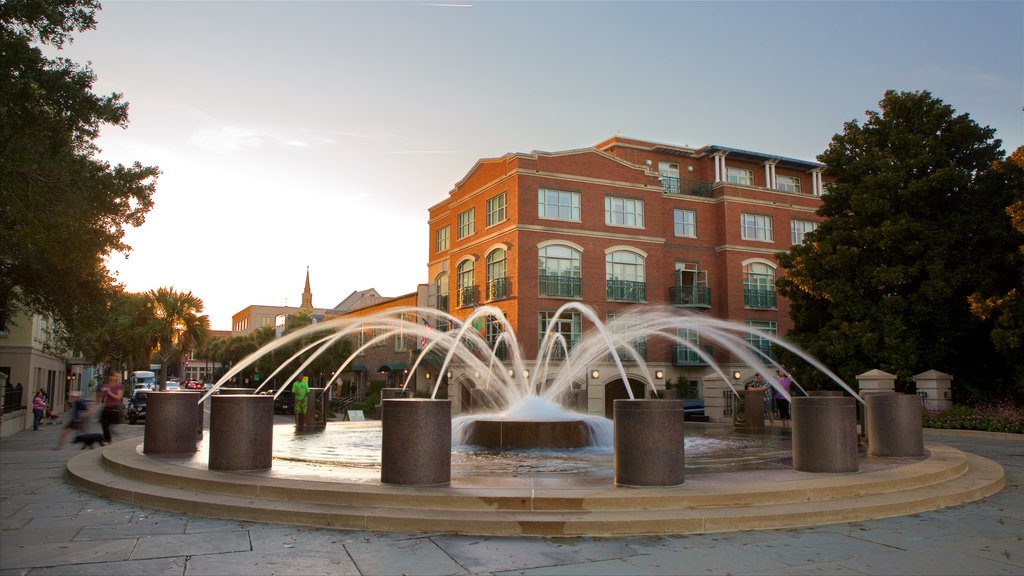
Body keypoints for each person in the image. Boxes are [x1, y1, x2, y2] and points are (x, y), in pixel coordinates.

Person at [98, 371, 124, 443]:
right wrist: (102, 392)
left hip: (114, 408)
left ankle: (110, 438)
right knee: (104, 425)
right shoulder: (106, 386)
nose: (113, 377)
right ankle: (108, 440)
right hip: (106, 407)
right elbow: (101, 396)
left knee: (109, 425)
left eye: (115, 376)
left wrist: (109, 393)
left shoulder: (119, 386)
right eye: (112, 376)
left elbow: (118, 397)